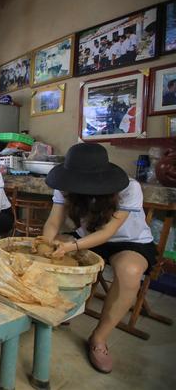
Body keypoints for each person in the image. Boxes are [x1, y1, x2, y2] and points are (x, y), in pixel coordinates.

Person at [40, 143, 157, 374]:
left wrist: (70, 246)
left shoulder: (128, 188)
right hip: (87, 236)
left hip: (128, 241)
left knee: (130, 272)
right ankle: (62, 308)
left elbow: (108, 232)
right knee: (49, 249)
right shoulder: (65, 186)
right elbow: (53, 223)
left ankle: (99, 338)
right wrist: (46, 244)